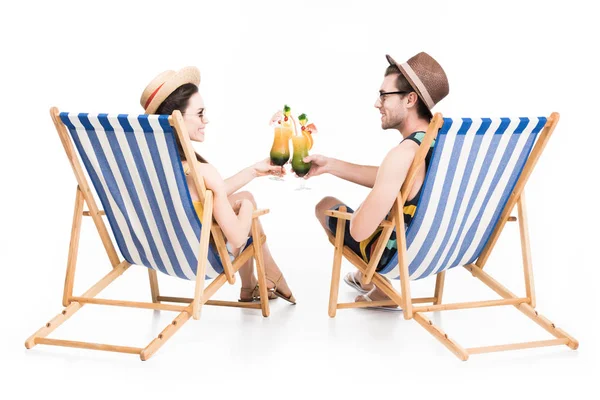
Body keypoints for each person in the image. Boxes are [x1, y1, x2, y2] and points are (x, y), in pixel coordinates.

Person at [140, 66, 295, 304]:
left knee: (243, 194)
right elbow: (237, 239)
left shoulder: (149, 162)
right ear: (178, 118)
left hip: (159, 251)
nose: (206, 120)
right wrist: (246, 206)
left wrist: (253, 170)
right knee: (247, 199)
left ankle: (252, 285)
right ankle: (271, 276)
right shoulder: (203, 171)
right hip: (198, 254)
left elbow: (201, 195)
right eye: (200, 113)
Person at [307, 52, 449, 308]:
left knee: (325, 205)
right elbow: (405, 181)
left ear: (410, 99)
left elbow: (359, 231)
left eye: (384, 95)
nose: (377, 103)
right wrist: (331, 165)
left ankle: (373, 283)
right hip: (439, 249)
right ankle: (366, 281)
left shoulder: (402, 155)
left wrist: (367, 205)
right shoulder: (443, 146)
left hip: (396, 255)